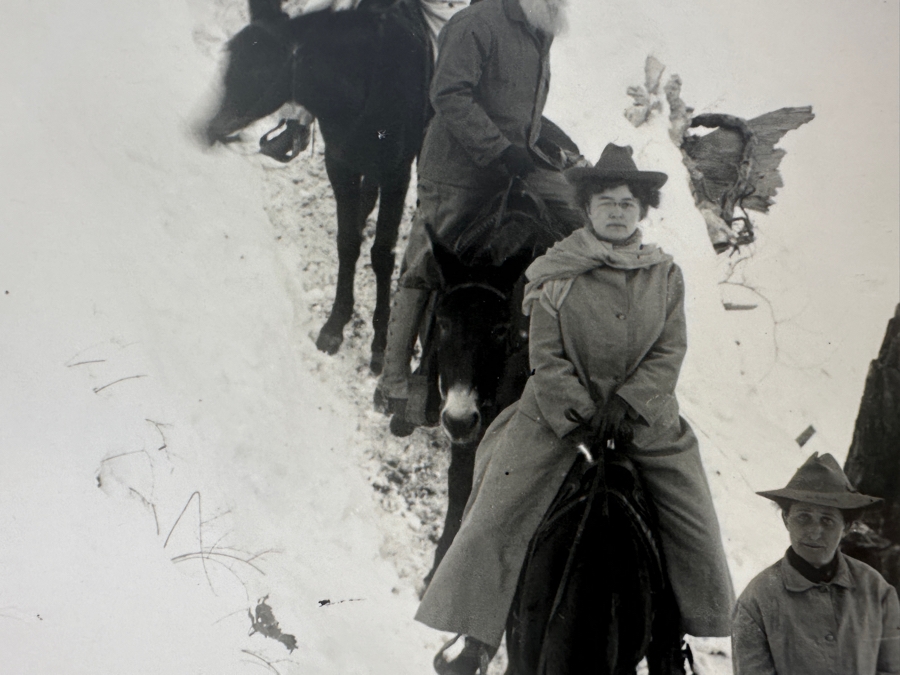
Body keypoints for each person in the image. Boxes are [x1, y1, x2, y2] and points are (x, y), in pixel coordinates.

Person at [415, 144, 736, 672]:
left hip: (643, 419)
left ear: (643, 211)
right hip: (557, 416)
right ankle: (476, 635)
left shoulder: (665, 276)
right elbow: (545, 354)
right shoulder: (554, 273)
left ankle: (674, 640)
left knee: (692, 513)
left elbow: (668, 352)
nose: (617, 211)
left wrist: (629, 404)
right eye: (606, 201)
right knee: (496, 507)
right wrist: (581, 415)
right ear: (586, 209)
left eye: (628, 202)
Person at [376, 0, 588, 427]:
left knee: (580, 226)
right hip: (459, 171)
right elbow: (449, 94)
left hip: (514, 162)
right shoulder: (476, 23)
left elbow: (516, 107)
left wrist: (533, 149)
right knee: (426, 264)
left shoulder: (537, 28)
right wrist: (498, 149)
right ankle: (397, 383)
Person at [732, 452, 900, 675]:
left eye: (827, 521)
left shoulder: (876, 590)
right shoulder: (757, 601)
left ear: (847, 527)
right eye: (803, 517)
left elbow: (893, 668)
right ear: (786, 519)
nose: (814, 532)